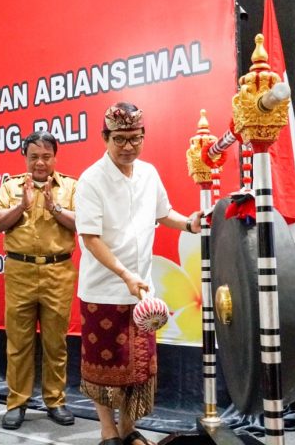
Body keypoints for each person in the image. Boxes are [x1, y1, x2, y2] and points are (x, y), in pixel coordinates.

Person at [74, 102, 202, 445]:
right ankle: (107, 432)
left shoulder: (149, 174)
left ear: (143, 136)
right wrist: (124, 274)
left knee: (136, 369)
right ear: (105, 138)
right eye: (119, 139)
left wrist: (190, 223)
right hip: (102, 290)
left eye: (134, 138)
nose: (128, 146)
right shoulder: (91, 180)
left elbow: (165, 214)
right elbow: (90, 238)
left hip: (143, 294)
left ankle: (129, 429)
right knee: (103, 370)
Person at [0, 131, 77, 430]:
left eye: (46, 156)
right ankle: (16, 403)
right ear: (25, 158)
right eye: (34, 157)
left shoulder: (71, 186)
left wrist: (55, 207)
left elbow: (86, 222)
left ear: (55, 157)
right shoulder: (11, 186)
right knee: (19, 342)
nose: (40, 163)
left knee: (56, 342)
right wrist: (20, 207)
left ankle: (55, 400)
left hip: (58, 272)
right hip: (20, 272)